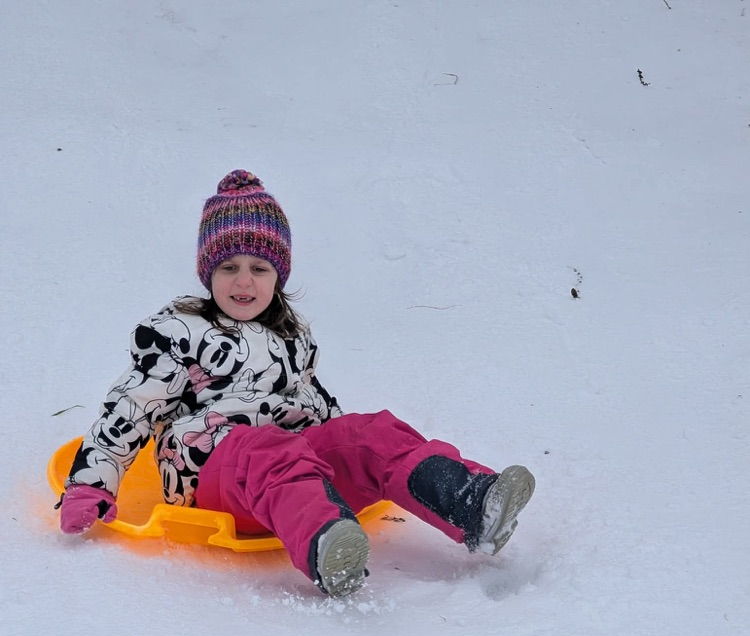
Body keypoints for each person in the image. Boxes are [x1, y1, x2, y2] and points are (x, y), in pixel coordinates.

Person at [58, 168, 535, 596]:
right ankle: (328, 542)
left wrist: (347, 446)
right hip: (214, 468)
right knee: (266, 449)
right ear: (208, 272)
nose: (243, 282)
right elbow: (131, 407)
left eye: (259, 268)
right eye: (229, 267)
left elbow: (314, 401)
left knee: (372, 434)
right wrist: (90, 484)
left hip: (293, 462)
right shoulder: (180, 334)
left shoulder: (290, 333)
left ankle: (471, 503)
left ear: (278, 275)